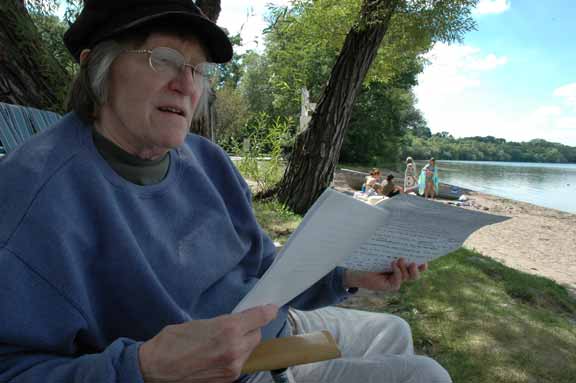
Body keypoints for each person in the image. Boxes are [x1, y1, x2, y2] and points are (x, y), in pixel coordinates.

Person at [0, 1, 452, 382]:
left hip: (270, 331)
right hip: (229, 371)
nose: (186, 83)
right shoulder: (35, 197)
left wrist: (346, 276)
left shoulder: (206, 160)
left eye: (197, 69)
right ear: (97, 65)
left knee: (393, 331)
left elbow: (262, 271)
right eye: (164, 58)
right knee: (426, 375)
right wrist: (144, 366)